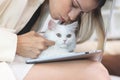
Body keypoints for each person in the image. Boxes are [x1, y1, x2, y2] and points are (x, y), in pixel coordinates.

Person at [0, 0, 111, 80]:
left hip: (10, 61)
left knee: (95, 70)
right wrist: (17, 43)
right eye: (74, 4)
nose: (72, 17)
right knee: (95, 73)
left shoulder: (43, 7)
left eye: (81, 12)